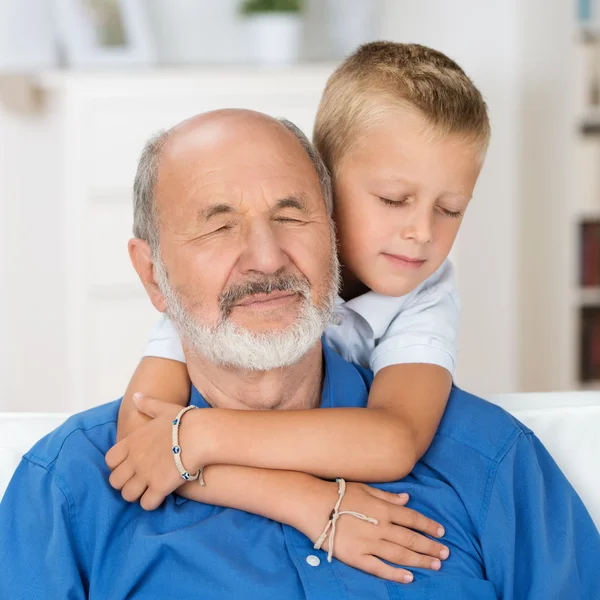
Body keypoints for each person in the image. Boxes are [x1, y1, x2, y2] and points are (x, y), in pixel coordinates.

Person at [0, 108, 598, 600]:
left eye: (292, 215)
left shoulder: (489, 461)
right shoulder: (67, 492)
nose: (266, 257)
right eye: (218, 227)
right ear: (151, 274)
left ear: (334, 239)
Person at [115, 42, 484, 571]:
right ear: (321, 188)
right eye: (393, 199)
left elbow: (394, 440)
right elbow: (143, 446)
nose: (422, 233)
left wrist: (199, 436)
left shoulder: (424, 296)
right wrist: (307, 503)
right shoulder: (225, 296)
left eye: (450, 210)